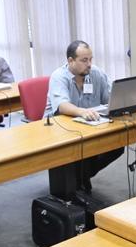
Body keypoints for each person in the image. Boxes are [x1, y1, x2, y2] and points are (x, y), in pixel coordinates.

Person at [46, 41, 123, 192]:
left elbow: (110, 98)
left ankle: (81, 177)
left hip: (88, 125)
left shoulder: (96, 73)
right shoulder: (59, 76)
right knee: (79, 149)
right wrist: (82, 112)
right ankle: (77, 181)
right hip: (59, 127)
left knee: (117, 144)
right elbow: (62, 105)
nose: (89, 64)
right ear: (70, 61)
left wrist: (125, 100)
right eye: (84, 60)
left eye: (90, 59)